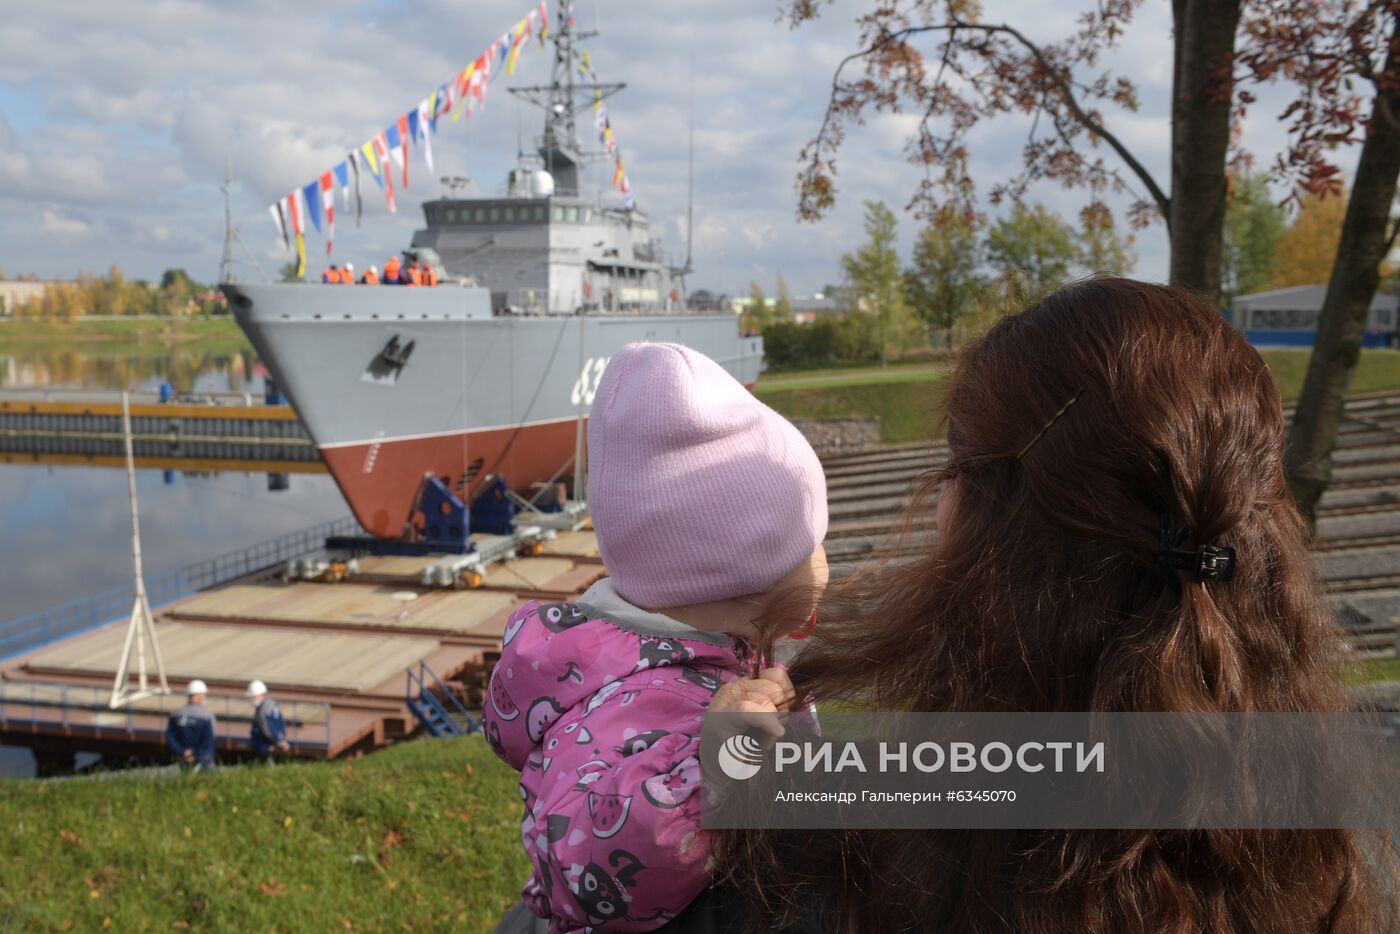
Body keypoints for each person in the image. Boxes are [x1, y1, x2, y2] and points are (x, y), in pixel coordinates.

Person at [710, 278, 1393, 932]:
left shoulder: (876, 875)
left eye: (956, 469)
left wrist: (735, 785)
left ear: (997, 520)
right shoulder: (1306, 847)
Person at [484, 342, 828, 933]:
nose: (825, 557)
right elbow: (586, 871)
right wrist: (712, 776)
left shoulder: (714, 648)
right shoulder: (625, 702)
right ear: (745, 577)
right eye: (812, 540)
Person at [165, 679, 217, 771]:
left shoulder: (176, 714)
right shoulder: (207, 715)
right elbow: (209, 739)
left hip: (182, 758)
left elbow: (170, 737)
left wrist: (183, 751)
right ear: (200, 697)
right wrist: (194, 752)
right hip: (204, 759)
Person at [245, 679, 289, 762]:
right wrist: (281, 739)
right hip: (269, 746)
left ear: (259, 695)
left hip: (265, 748)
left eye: (253, 697)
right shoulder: (272, 706)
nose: (251, 699)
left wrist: (277, 741)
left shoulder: (263, 711)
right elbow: (280, 724)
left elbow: (268, 729)